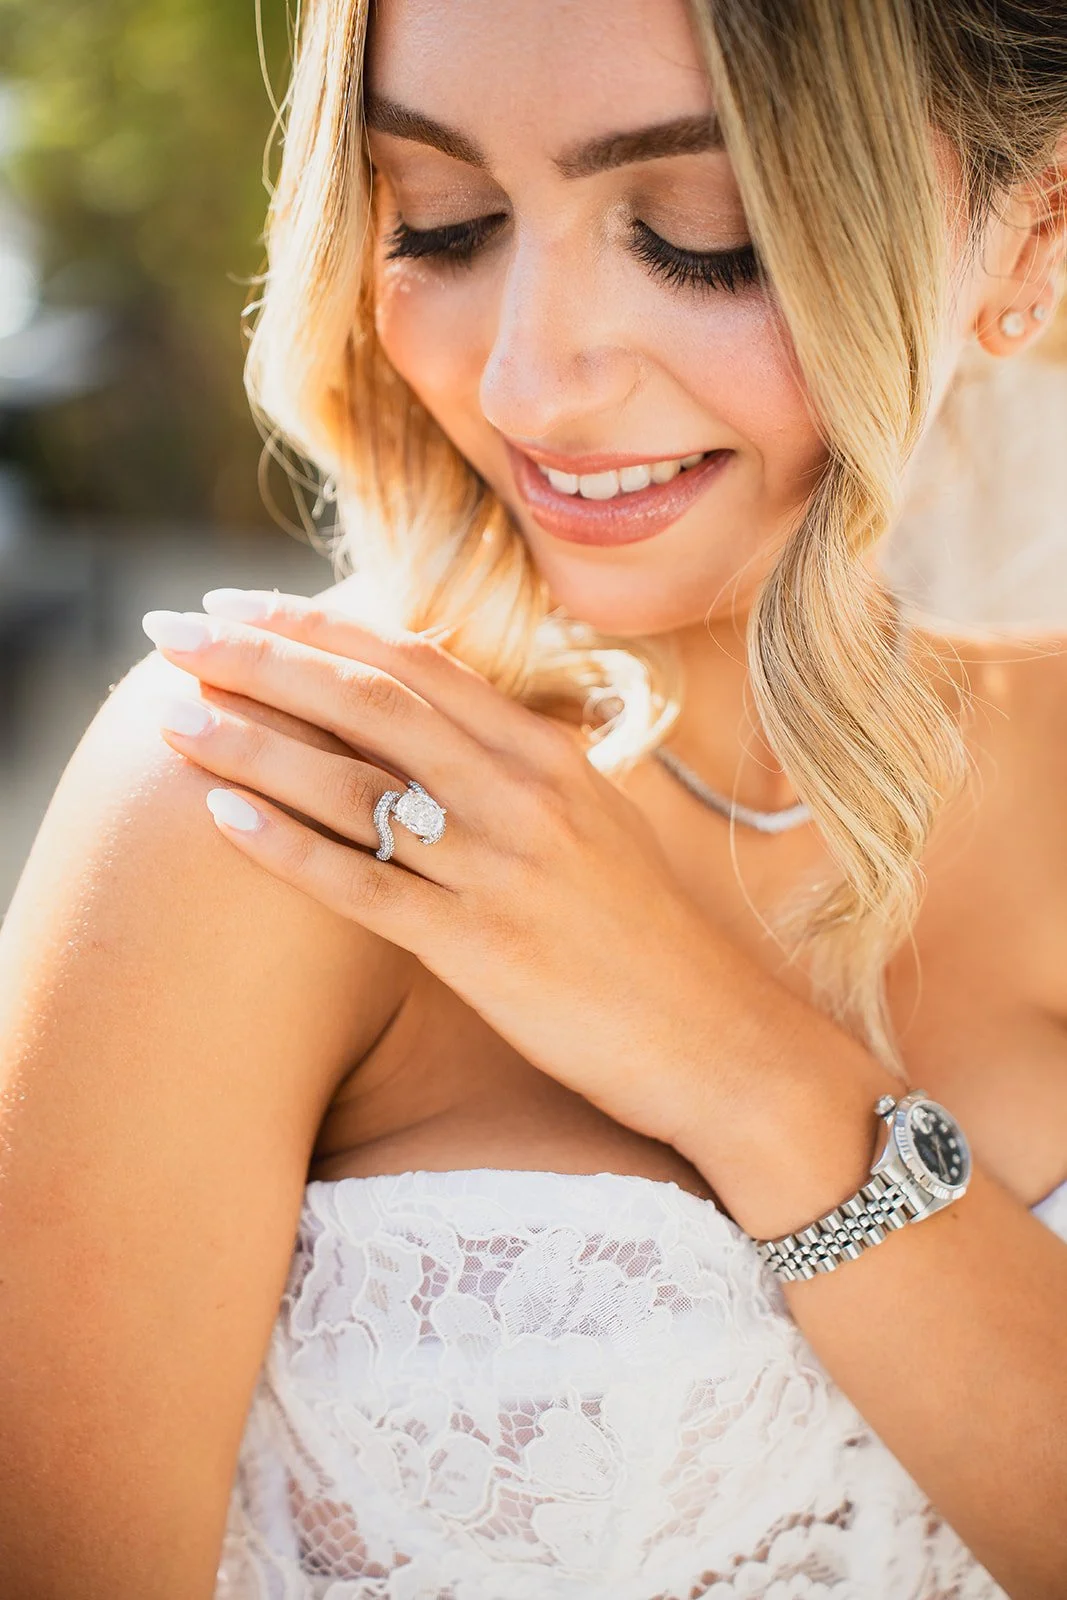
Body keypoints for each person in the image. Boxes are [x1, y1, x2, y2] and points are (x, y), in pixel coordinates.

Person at [1, 1, 1066, 1595]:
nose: (532, 385)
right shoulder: (264, 801)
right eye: (443, 218)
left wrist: (742, 1071)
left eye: (704, 238)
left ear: (1029, 234)